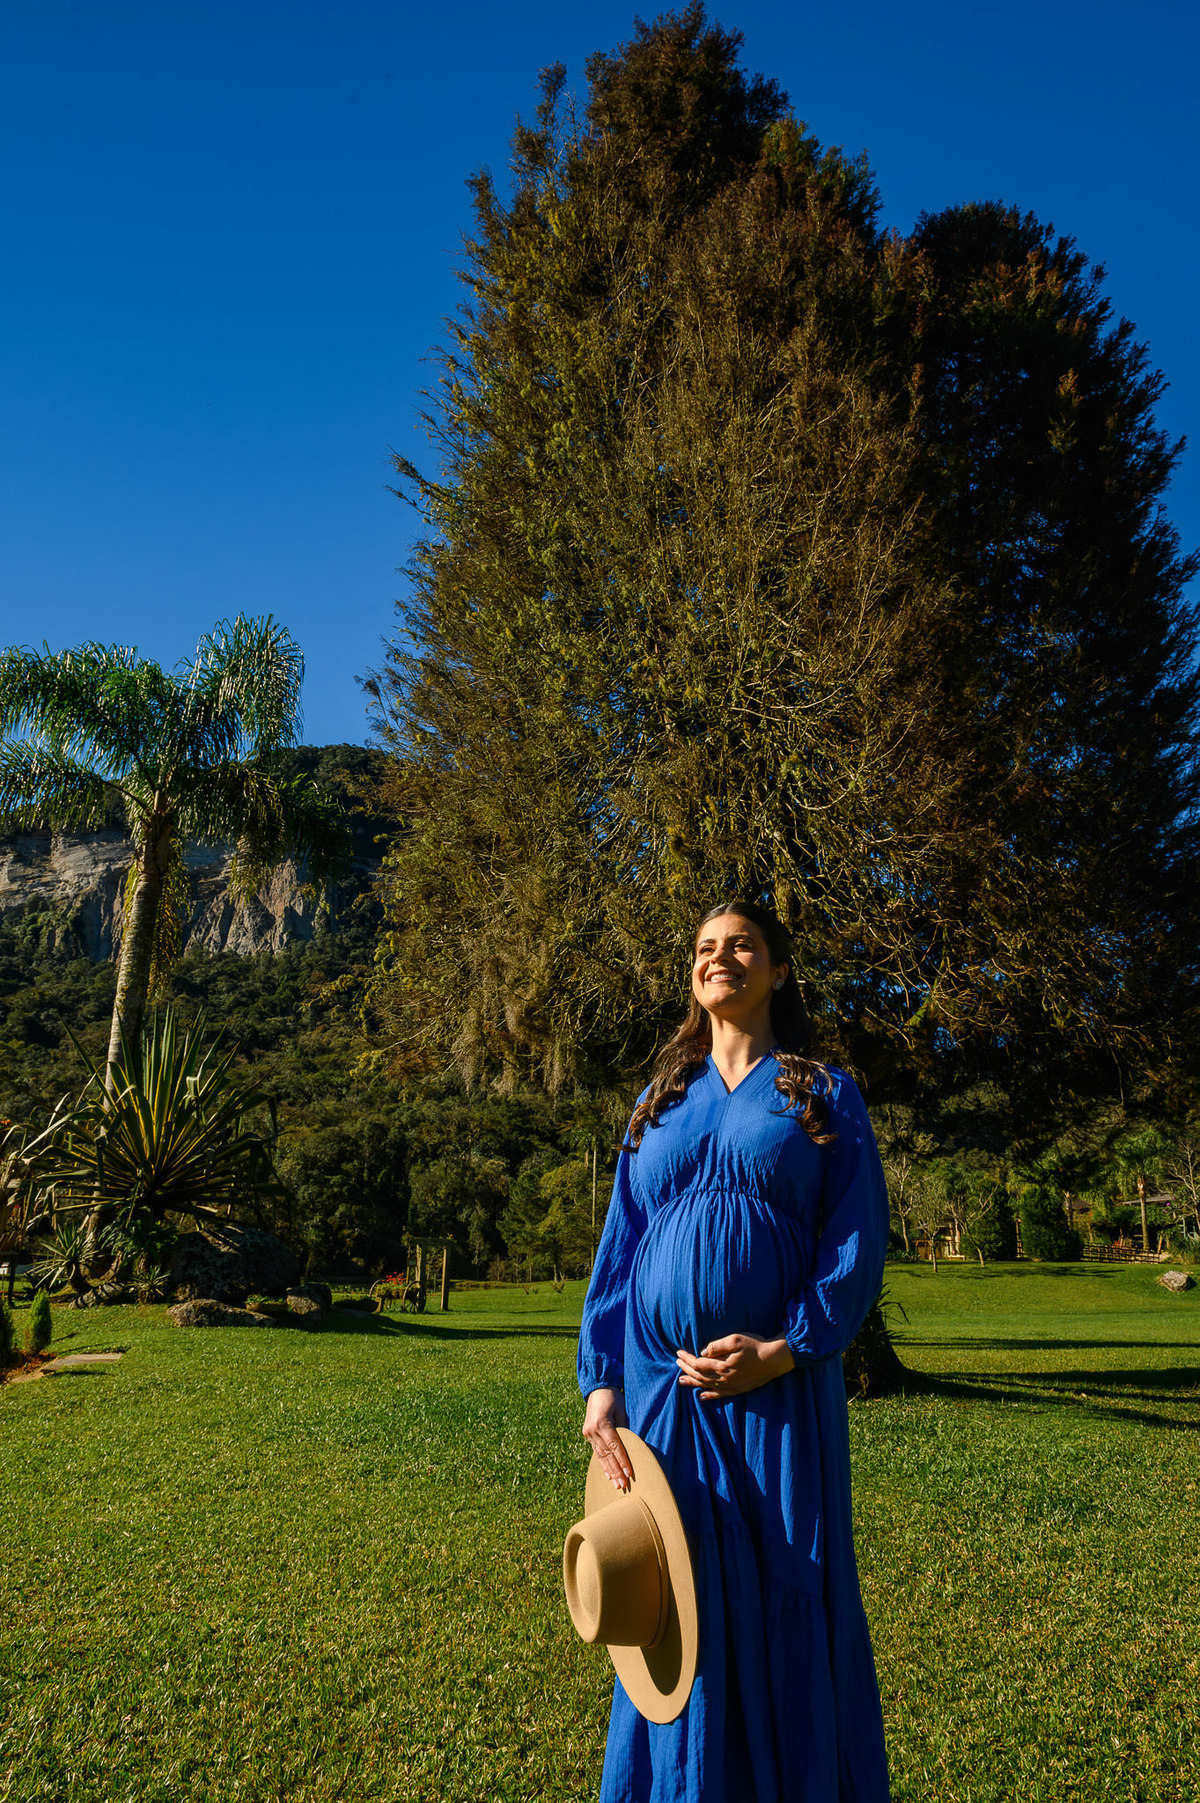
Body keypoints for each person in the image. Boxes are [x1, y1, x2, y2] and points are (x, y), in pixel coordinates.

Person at [577, 900, 891, 1803]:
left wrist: (787, 1347)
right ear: (693, 975)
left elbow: (855, 1241)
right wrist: (603, 1384)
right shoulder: (659, 1099)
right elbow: (620, 1247)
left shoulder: (823, 1091)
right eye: (707, 948)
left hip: (774, 1390)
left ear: (779, 970)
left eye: (742, 944)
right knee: (679, 1599)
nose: (723, 958)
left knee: (784, 1575)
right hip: (662, 1389)